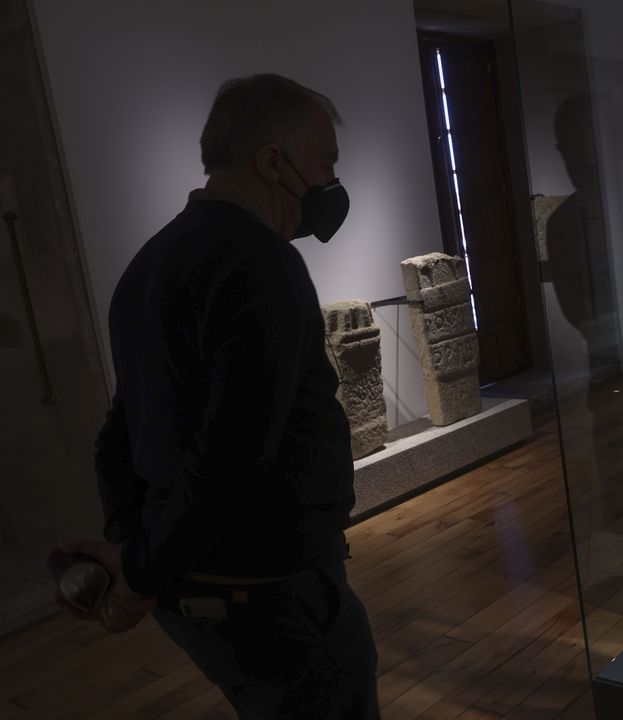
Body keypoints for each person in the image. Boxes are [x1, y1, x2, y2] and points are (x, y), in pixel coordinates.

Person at [57, 73, 379, 719]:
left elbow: (118, 438)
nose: (329, 184)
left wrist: (132, 558)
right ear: (272, 162)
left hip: (202, 593)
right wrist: (140, 569)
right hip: (269, 585)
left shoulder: (147, 266)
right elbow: (231, 457)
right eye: (325, 163)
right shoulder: (262, 263)